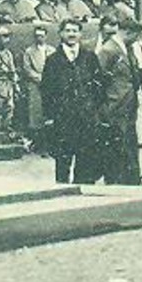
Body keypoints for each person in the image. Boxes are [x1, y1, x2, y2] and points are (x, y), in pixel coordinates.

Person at [40, 18, 101, 184]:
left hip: (86, 118)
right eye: (68, 31)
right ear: (60, 34)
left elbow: (98, 86)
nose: (72, 34)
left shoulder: (89, 57)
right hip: (63, 119)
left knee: (86, 159)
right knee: (63, 160)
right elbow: (46, 91)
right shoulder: (53, 60)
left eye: (75, 31)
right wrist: (50, 117)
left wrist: (93, 110)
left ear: (80, 34)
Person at [94, 16, 142, 184]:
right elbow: (98, 78)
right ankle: (116, 179)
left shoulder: (127, 48)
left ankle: (131, 178)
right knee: (117, 144)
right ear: (128, 33)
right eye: (136, 37)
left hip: (128, 104)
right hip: (115, 105)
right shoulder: (108, 50)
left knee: (129, 142)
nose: (137, 41)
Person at [19, 24, 54, 150]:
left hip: (51, 86)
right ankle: (38, 145)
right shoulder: (29, 52)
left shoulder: (52, 50)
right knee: (36, 115)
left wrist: (50, 79)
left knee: (50, 113)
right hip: (35, 86)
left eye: (42, 36)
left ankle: (50, 145)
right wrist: (39, 78)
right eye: (37, 36)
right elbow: (27, 69)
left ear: (46, 36)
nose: (39, 38)